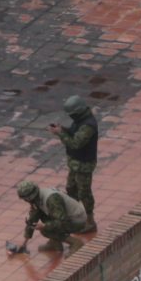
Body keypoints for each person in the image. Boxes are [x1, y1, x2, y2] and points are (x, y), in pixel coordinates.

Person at [51, 96, 99, 232]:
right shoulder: (80, 121)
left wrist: (61, 134)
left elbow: (75, 143)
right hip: (75, 163)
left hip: (84, 164)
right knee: (71, 188)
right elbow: (74, 133)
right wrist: (63, 130)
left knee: (84, 192)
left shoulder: (88, 125)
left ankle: (90, 220)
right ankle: (76, 215)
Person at [12, 179, 90, 250]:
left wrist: (45, 226)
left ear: (29, 197)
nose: (25, 201)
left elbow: (63, 221)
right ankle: (55, 243)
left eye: (25, 199)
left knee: (46, 230)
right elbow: (32, 220)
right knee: (42, 217)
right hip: (66, 218)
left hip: (77, 220)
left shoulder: (52, 199)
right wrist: (23, 244)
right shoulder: (37, 198)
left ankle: (75, 242)